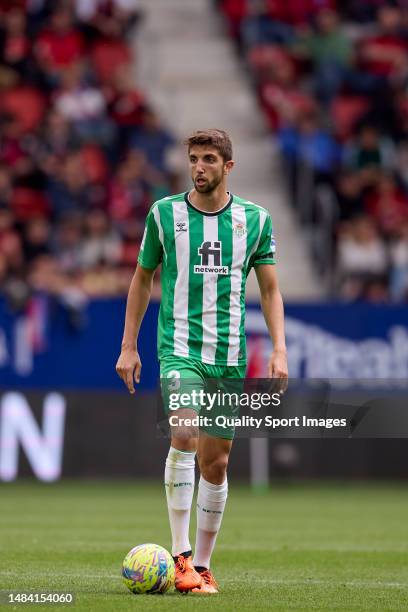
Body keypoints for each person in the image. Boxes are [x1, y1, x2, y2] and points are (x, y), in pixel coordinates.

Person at [115, 129, 288, 594]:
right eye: (194, 159)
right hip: (179, 349)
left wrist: (278, 348)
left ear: (228, 166)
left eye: (209, 159)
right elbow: (141, 279)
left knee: (217, 463)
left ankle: (205, 565)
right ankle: (180, 556)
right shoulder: (164, 214)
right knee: (184, 430)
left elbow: (270, 289)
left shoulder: (255, 220)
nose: (199, 167)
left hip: (228, 359)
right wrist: (129, 345)